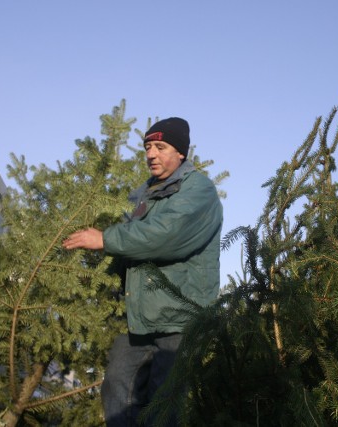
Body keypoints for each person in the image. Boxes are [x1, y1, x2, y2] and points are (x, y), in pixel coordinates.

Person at [62, 117, 223, 426]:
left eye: (160, 147)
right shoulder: (145, 195)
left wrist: (105, 239)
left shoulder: (199, 190)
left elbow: (166, 236)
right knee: (116, 386)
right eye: (148, 146)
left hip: (180, 317)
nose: (151, 154)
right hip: (141, 319)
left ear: (180, 153)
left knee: (164, 406)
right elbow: (132, 252)